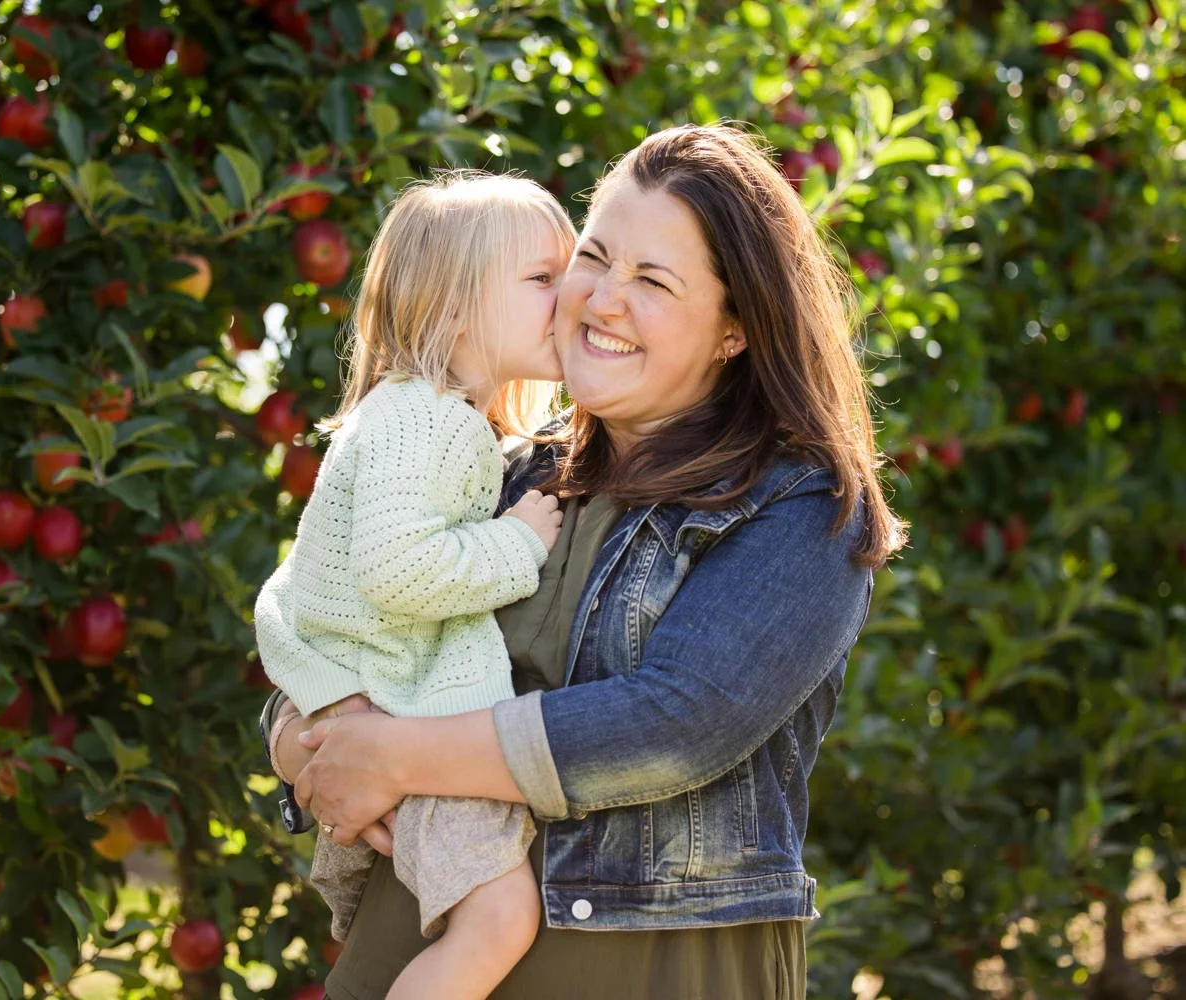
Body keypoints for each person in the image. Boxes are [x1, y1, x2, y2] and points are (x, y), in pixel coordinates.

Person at [261, 122, 906, 1000]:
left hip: (651, 971)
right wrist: (305, 744)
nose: (602, 300)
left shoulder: (800, 506)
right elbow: (339, 619)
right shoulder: (502, 466)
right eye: (594, 258)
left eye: (653, 281)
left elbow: (676, 723)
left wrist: (397, 757)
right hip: (415, 956)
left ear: (734, 330)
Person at [254, 171, 578, 999]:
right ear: (453, 307)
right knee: (501, 920)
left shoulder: (411, 415)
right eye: (541, 277)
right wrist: (515, 543)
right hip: (408, 717)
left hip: (384, 717)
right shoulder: (430, 421)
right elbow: (398, 571)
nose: (569, 293)